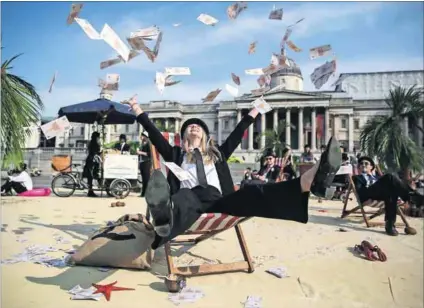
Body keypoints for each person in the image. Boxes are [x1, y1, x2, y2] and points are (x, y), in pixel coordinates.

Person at [122, 97, 342, 249]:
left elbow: (238, 134)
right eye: (189, 127)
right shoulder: (176, 154)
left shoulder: (217, 154)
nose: (194, 127)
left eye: (198, 126)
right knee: (185, 196)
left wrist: (255, 111)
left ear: (206, 135)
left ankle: (308, 181)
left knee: (251, 192)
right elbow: (154, 133)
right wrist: (137, 110)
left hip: (220, 201)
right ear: (184, 135)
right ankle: (164, 214)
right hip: (190, 203)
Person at [352, 156, 424, 236]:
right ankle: (414, 198)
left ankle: (389, 225)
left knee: (391, 193)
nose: (363, 165)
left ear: (371, 167)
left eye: (366, 163)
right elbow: (361, 192)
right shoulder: (357, 178)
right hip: (369, 193)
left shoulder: (377, 177)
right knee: (389, 176)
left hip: (380, 194)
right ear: (359, 167)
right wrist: (364, 198)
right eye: (361, 163)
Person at [83, 132, 102, 197]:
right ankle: (90, 191)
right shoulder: (96, 142)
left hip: (90, 159)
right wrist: (100, 152)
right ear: (97, 137)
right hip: (92, 160)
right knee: (91, 175)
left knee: (90, 176)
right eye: (98, 136)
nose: (99, 138)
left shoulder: (91, 142)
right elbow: (96, 152)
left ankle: (90, 190)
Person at [137, 131, 152, 197]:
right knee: (143, 179)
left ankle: (147, 193)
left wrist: (140, 152)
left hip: (147, 162)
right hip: (142, 162)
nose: (141, 137)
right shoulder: (142, 143)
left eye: (142, 136)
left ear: (145, 137)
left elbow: (149, 154)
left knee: (146, 179)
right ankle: (143, 193)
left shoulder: (148, 143)